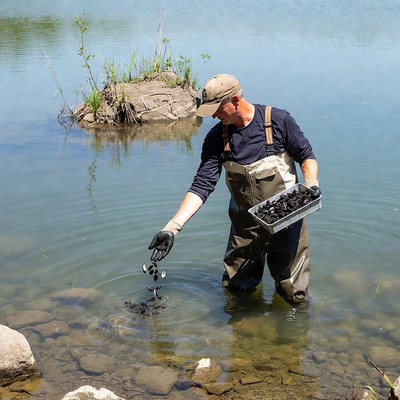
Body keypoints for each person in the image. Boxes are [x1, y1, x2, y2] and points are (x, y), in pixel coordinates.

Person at [148, 73, 320, 304]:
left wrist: (311, 184)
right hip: (245, 228)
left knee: (294, 296)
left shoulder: (277, 120)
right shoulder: (217, 137)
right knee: (237, 292)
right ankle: (242, 333)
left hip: (288, 224)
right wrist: (172, 228)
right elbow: (202, 185)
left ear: (236, 101)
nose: (214, 116)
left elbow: (306, 157)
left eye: (218, 110)